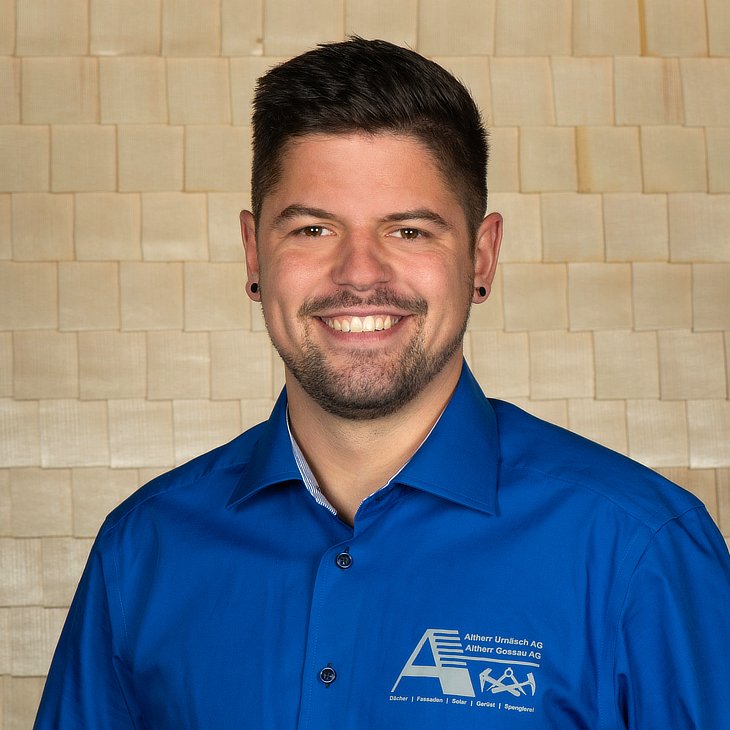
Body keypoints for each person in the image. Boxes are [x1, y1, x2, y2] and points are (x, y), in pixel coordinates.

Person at [35, 38, 729, 729]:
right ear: (253, 254)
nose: (359, 274)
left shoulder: (640, 551)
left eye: (409, 231)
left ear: (481, 257)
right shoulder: (144, 550)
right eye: (313, 229)